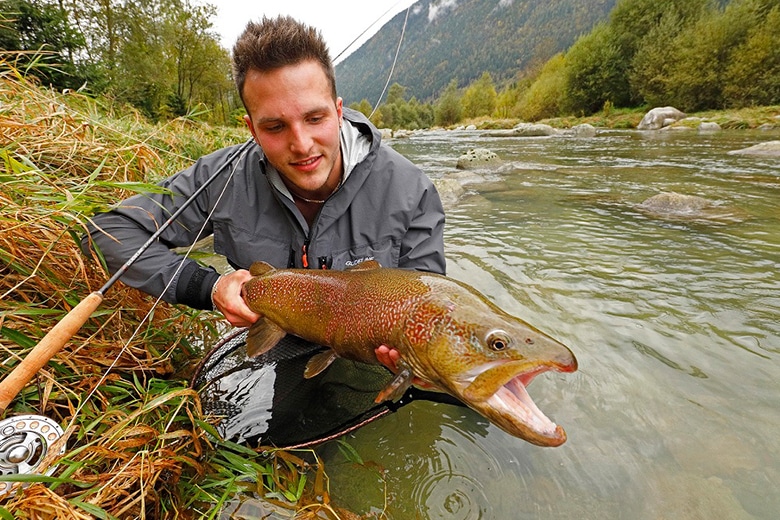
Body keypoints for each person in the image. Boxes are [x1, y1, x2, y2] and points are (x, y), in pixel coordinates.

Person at [82, 16, 446, 370]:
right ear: (251, 129)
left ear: (338, 112)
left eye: (315, 119)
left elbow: (433, 301)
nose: (302, 145)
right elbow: (108, 232)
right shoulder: (220, 178)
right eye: (275, 126)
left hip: (372, 355)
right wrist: (210, 287)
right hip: (277, 341)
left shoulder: (410, 191)